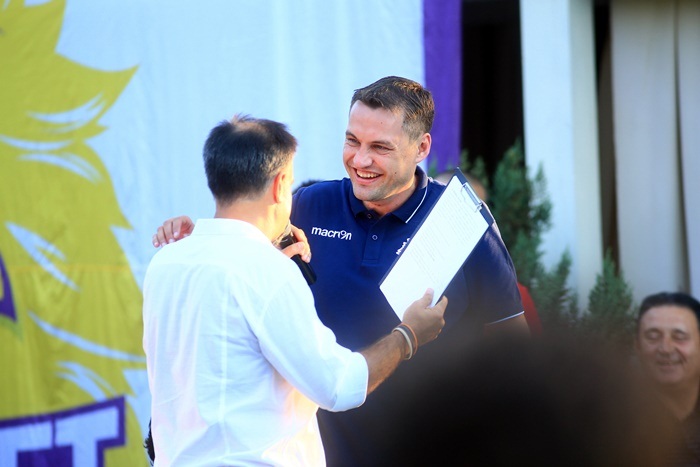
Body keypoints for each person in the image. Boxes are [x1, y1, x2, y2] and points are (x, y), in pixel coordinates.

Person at [153, 76, 527, 465]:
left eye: (380, 147)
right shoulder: (308, 205)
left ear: (422, 147)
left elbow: (516, 355)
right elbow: (237, 256)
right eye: (352, 141)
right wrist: (194, 234)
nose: (360, 160)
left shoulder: (462, 223)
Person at [143, 115, 447, 465]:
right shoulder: (267, 270)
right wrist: (408, 335)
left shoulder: (166, 262)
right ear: (280, 185)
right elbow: (338, 386)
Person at [435, 169, 543, 335]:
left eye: (465, 212)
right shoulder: (403, 285)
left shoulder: (511, 294)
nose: (452, 221)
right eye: (441, 209)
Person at [636, 291, 700, 465]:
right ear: (637, 346)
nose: (665, 349)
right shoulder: (615, 420)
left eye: (679, 337)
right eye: (653, 337)